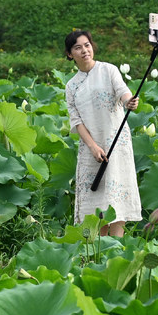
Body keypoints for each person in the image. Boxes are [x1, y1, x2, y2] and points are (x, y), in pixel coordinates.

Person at [64, 29, 142, 237]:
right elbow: (77, 122)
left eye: (87, 45)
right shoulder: (71, 86)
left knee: (116, 199)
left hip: (116, 143)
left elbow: (123, 91)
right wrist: (92, 147)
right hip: (91, 148)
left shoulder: (109, 70)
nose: (84, 50)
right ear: (70, 54)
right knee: (96, 202)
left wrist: (129, 101)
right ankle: (99, 252)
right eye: (77, 47)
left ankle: (117, 247)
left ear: (92, 46)